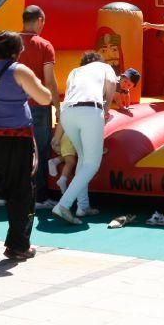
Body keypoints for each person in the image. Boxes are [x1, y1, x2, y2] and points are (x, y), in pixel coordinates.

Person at [0, 31, 52, 260]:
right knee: (21, 192)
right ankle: (17, 244)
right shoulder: (18, 70)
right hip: (16, 138)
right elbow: (45, 98)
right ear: (15, 51)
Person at [51, 51, 117, 224]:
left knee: (83, 158)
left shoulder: (75, 72)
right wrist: (107, 107)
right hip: (90, 111)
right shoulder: (104, 67)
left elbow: (67, 98)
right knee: (92, 164)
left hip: (68, 113)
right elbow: (111, 83)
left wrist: (57, 135)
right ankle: (63, 205)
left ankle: (82, 206)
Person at [18, 5, 61, 209]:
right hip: (37, 104)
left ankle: (5, 194)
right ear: (40, 20)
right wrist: (57, 107)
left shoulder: (11, 42)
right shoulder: (44, 46)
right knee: (40, 150)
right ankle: (40, 196)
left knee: (14, 149)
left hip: (11, 106)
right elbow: (50, 80)